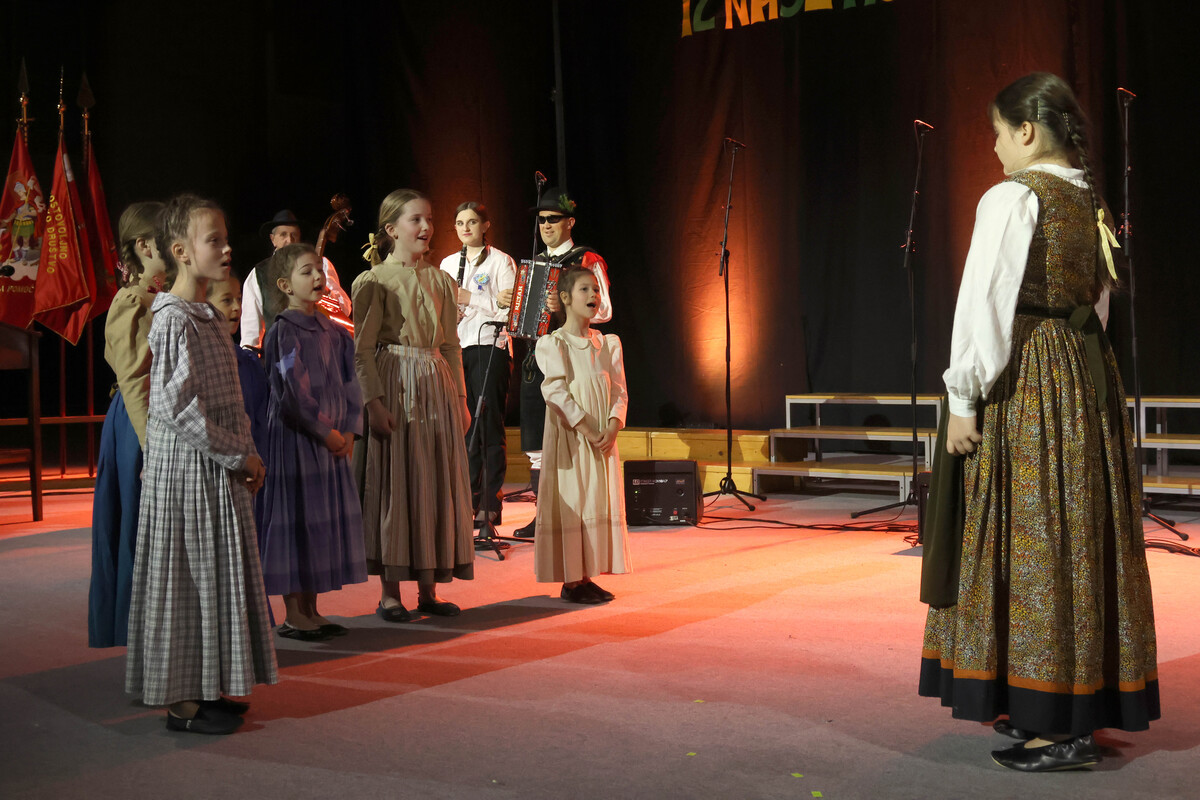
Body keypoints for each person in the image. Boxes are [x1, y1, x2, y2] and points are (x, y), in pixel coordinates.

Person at [918, 73, 1159, 772]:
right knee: (1075, 536)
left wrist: (964, 399)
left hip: (1029, 379)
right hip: (1084, 376)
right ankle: (1062, 706)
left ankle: (1059, 724)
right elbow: (1098, 306)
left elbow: (986, 299)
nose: (994, 148)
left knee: (1035, 535)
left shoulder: (1013, 196)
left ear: (1025, 131)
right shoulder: (1090, 200)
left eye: (997, 134)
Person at [125, 193, 277, 735]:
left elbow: (226, 398)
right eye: (214, 239)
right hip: (190, 470)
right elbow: (176, 407)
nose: (227, 248)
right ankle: (182, 705)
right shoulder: (173, 319)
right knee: (187, 580)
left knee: (212, 575)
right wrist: (239, 452)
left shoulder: (205, 316)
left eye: (226, 238)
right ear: (181, 252)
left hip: (215, 467)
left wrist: (243, 450)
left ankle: (206, 686)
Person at [353, 189, 474, 621]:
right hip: (396, 381)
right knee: (396, 480)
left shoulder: (441, 281)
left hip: (435, 382)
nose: (426, 227)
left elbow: (451, 345)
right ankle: (390, 593)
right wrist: (373, 402)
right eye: (415, 220)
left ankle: (429, 590)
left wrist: (460, 399)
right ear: (391, 229)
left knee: (432, 480)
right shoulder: (374, 280)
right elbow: (362, 350)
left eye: (428, 219)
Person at [258, 243, 367, 641]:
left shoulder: (335, 332)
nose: (318, 277)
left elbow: (352, 383)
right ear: (285, 285)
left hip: (333, 443)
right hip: (298, 441)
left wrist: (350, 429)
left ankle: (312, 608)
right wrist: (327, 431)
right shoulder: (283, 331)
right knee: (297, 520)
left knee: (320, 522)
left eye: (319, 270)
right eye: (306, 272)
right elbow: (292, 392)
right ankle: (293, 612)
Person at [87, 201, 166, 648]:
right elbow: (134, 379)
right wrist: (151, 445)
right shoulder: (131, 301)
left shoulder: (166, 297)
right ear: (144, 246)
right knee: (139, 522)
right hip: (139, 422)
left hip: (163, 415)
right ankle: (140, 629)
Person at [513, 188, 613, 538]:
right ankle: (543, 516)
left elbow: (605, 310)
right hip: (536, 358)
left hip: (574, 357)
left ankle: (578, 515)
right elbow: (525, 317)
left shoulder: (586, 258)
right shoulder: (535, 262)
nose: (545, 225)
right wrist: (509, 303)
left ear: (570, 222)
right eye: (541, 220)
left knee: (574, 436)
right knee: (537, 445)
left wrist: (568, 304)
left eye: (553, 219)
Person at [534, 265, 630, 603]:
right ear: (565, 298)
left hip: (601, 439)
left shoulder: (608, 343)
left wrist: (612, 426)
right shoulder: (554, 344)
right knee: (576, 497)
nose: (593, 295)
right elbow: (555, 392)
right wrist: (587, 429)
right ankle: (572, 580)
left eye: (596, 290)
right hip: (573, 438)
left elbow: (619, 390)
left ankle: (587, 574)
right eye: (585, 289)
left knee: (595, 498)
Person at [437, 201, 517, 527]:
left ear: (485, 226)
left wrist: (471, 298)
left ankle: (490, 502)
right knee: (465, 425)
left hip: (490, 345)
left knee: (488, 425)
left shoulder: (501, 261)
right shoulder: (447, 263)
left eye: (472, 222)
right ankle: (468, 499)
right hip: (457, 348)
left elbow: (509, 312)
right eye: (460, 223)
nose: (465, 228)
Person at [208, 274, 270, 532]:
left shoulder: (248, 363)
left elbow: (261, 421)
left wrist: (258, 462)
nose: (236, 307)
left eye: (239, 299)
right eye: (226, 300)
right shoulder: (205, 361)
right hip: (218, 470)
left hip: (251, 470)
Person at [240, 209, 350, 350]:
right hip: (280, 355)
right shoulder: (259, 273)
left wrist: (328, 294)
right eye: (283, 235)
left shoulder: (321, 264)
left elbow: (345, 308)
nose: (290, 240)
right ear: (273, 239)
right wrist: (251, 357)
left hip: (321, 350)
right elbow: (251, 332)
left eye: (294, 235)